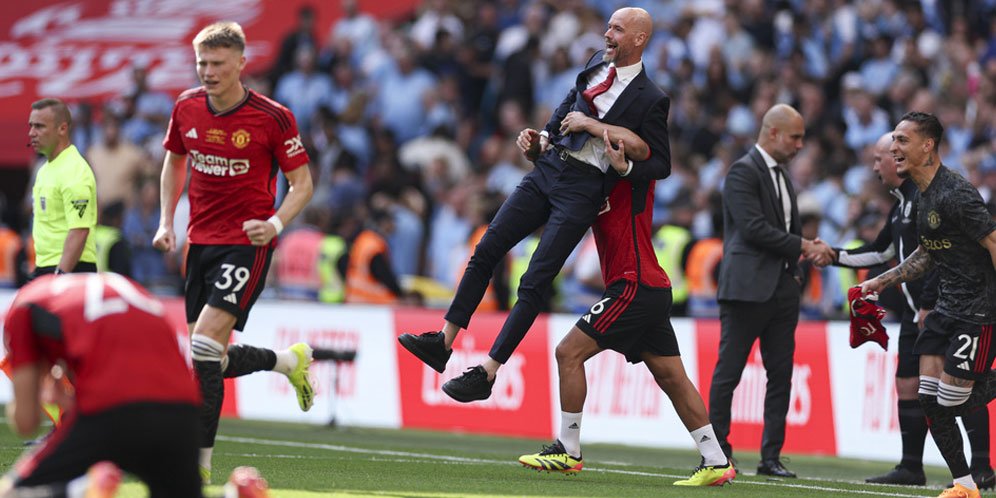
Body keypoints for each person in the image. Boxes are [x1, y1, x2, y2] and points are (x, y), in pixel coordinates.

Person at [399, 7, 671, 402]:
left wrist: (621, 161)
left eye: (617, 29)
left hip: (585, 188)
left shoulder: (652, 98)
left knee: (534, 281)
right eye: (608, 26)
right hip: (549, 168)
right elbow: (568, 106)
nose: (607, 34)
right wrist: (542, 138)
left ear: (639, 39)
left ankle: (488, 371)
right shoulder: (597, 63)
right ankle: (442, 341)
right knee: (486, 249)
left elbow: (660, 163)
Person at [517, 131, 735, 486]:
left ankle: (567, 449)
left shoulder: (636, 178)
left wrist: (617, 155)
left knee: (568, 353)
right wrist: (537, 152)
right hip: (647, 286)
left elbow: (645, 154)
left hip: (633, 285)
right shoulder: (593, 183)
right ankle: (715, 459)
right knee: (672, 378)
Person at [152, 21, 316, 483]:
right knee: (208, 361)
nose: (208, 71)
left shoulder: (272, 117)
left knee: (203, 346)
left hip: (248, 242)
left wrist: (276, 223)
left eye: (218, 63)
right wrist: (167, 221)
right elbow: (174, 159)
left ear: (241, 64)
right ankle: (288, 362)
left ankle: (197, 469)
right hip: (200, 243)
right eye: (202, 63)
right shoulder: (185, 106)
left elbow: (303, 183)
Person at [829, 132, 994, 487]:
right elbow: (923, 254)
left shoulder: (954, 193)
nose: (886, 158)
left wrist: (928, 301)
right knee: (926, 396)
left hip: (966, 308)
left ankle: (977, 470)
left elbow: (986, 245)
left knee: (952, 397)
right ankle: (959, 483)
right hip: (932, 309)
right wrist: (878, 280)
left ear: (926, 146)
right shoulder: (914, 200)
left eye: (897, 145)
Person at [708, 104, 834, 478]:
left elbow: (774, 229)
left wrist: (794, 270)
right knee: (728, 374)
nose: (800, 145)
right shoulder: (742, 172)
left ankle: (771, 457)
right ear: (773, 133)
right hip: (746, 288)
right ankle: (718, 452)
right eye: (795, 137)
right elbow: (753, 229)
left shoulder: (783, 176)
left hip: (781, 288)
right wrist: (804, 246)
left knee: (781, 375)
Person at [0, 273, 202, 497]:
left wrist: (34, 393)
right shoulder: (117, 286)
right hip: (183, 405)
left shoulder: (23, 307)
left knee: (11, 493)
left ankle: (78, 490)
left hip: (110, 407)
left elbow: (26, 423)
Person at [27, 98, 98, 279]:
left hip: (71, 271)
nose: (31, 133)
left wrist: (60, 275)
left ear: (62, 129)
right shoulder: (44, 169)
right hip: (47, 268)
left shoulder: (74, 170)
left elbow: (80, 231)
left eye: (40, 126)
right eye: (31, 126)